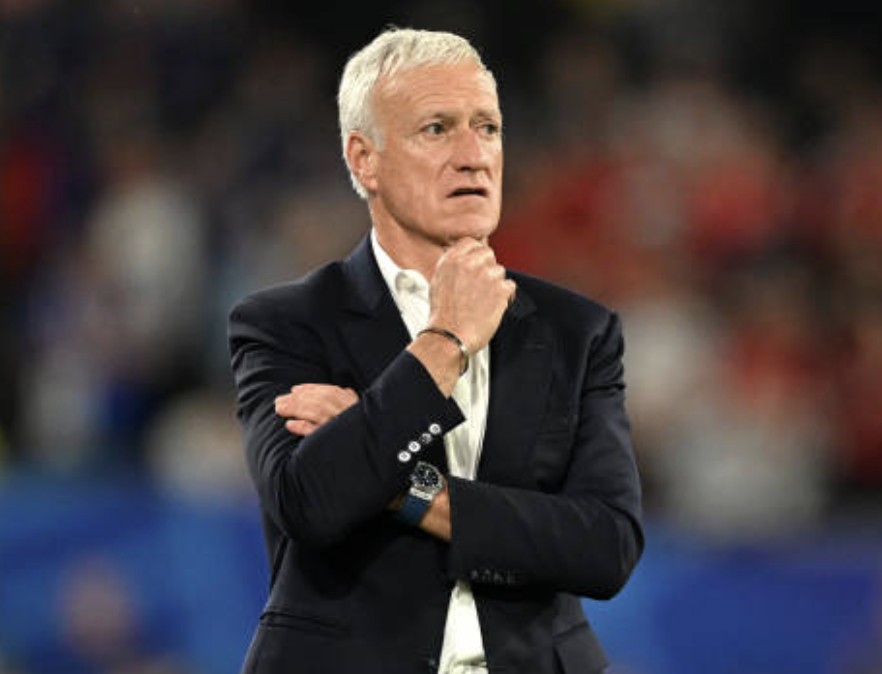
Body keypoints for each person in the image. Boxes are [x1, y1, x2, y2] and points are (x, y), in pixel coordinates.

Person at [227, 26, 643, 674]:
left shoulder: (578, 331)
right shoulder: (286, 323)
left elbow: (605, 546)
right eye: (437, 129)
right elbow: (310, 503)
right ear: (364, 159)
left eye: (488, 127)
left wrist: (405, 486)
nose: (474, 156)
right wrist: (445, 341)